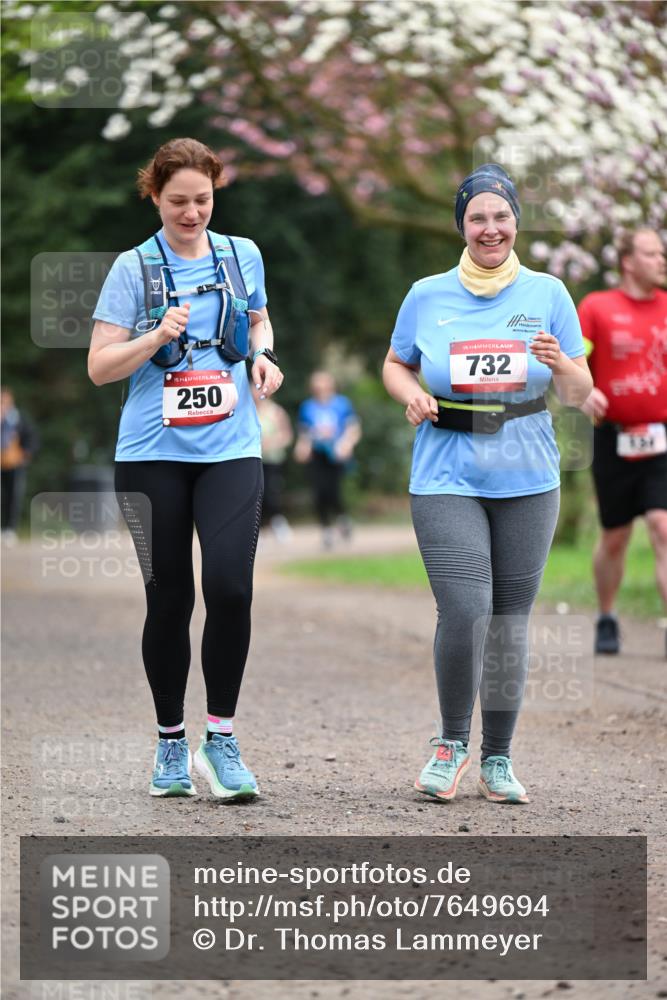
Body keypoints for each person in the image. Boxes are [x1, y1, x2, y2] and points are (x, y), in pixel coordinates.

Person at [383, 163, 592, 805]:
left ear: (516, 223)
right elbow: (395, 365)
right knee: (466, 608)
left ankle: (497, 759)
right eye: (478, 217)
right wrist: (412, 393)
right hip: (446, 466)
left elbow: (580, 393)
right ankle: (449, 745)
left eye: (501, 216)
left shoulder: (549, 292)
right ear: (462, 225)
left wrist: (563, 365)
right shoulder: (426, 294)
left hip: (528, 474)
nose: (490, 228)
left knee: (508, 621)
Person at [88, 138, 283, 800]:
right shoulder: (132, 268)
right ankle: (171, 744)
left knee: (231, 588)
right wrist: (154, 337)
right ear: (154, 196)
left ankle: (220, 741)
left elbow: (258, 321)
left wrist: (263, 355)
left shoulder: (240, 255)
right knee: (169, 600)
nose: (192, 213)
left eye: (202, 199)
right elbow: (99, 366)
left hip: (230, 447)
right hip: (150, 456)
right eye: (178, 202)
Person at [578, 228, 667, 656]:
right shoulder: (597, 307)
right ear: (628, 261)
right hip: (611, 438)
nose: (661, 260)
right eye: (651, 253)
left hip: (662, 437)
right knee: (615, 536)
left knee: (662, 526)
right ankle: (607, 615)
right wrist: (582, 390)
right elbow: (574, 361)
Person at [294, 371, 361, 548]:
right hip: (317, 454)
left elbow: (353, 427)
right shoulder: (308, 406)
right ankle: (326, 529)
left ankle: (342, 518)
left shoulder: (342, 403)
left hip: (336, 453)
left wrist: (346, 444)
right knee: (318, 492)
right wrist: (302, 447)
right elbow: (305, 432)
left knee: (334, 491)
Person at [251, 384, 294, 541]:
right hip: (254, 460)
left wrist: (272, 443)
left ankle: (278, 522)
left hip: (273, 460)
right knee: (255, 495)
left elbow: (287, 435)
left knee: (272, 492)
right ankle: (259, 529)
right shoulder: (247, 410)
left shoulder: (276, 412)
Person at [1, 387, 38, 543]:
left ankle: (10, 529)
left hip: (14, 464)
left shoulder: (19, 418)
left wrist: (25, 455)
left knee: (13, 497)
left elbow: (32, 437)